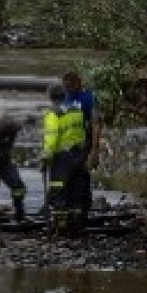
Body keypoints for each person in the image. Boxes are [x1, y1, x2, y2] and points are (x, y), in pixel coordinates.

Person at [41, 83, 88, 236]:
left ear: (50, 97)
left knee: (58, 190)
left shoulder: (53, 114)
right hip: (79, 155)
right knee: (76, 189)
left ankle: (61, 227)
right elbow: (83, 131)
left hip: (61, 157)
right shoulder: (77, 110)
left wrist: (45, 158)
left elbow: (52, 138)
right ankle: (77, 224)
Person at [60, 70, 98, 220]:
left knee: (81, 177)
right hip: (65, 146)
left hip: (83, 143)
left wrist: (94, 150)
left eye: (69, 86)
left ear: (78, 83)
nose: (67, 89)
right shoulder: (64, 97)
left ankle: (82, 209)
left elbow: (96, 124)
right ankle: (69, 210)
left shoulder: (88, 98)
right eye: (65, 86)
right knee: (66, 179)